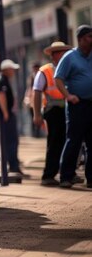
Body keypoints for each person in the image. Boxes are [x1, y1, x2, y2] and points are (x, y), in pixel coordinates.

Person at [54, 25, 92, 189]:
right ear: (80, 39)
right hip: (77, 105)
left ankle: (90, 178)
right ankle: (66, 177)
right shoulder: (70, 57)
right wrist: (68, 96)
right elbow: (58, 79)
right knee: (74, 141)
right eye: (90, 37)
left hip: (91, 104)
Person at [32, 41, 71, 186]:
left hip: (68, 108)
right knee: (55, 143)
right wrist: (37, 114)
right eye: (60, 52)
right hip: (53, 110)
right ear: (53, 55)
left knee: (69, 142)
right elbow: (36, 92)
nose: (64, 54)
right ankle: (48, 175)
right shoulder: (45, 71)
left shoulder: (69, 68)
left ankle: (68, 174)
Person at [0, 59, 26, 178]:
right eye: (12, 69)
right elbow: (1, 96)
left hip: (6, 114)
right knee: (11, 141)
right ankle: (13, 166)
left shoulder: (4, 79)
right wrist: (6, 112)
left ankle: (14, 164)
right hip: (6, 116)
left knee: (11, 141)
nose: (13, 71)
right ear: (6, 70)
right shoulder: (2, 80)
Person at [25, 62, 42, 137]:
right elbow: (29, 88)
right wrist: (27, 98)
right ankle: (34, 133)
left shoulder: (41, 76)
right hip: (32, 99)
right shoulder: (31, 77)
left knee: (39, 115)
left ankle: (38, 132)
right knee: (32, 116)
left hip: (40, 99)